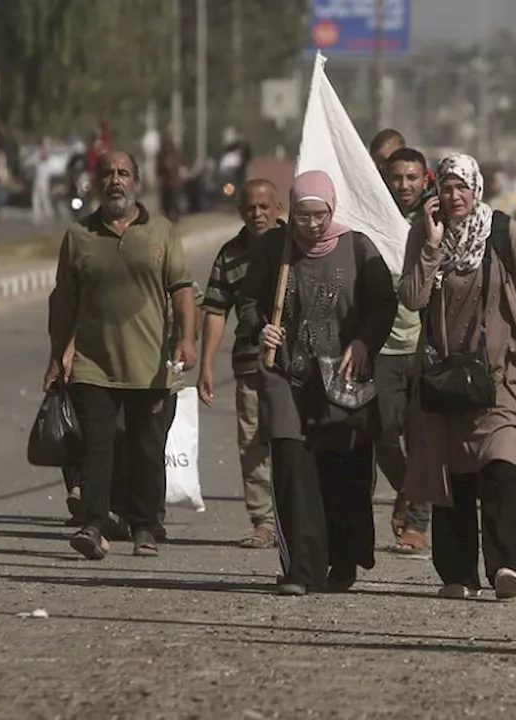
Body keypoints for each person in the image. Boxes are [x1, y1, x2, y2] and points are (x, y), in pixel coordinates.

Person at [398, 152, 516, 601]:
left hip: (502, 379)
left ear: (476, 188)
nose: (454, 195)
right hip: (446, 383)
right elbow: (413, 298)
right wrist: (433, 245)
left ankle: (507, 566)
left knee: (500, 466)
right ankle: (459, 574)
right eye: (447, 186)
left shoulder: (501, 232)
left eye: (462, 186)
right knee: (455, 479)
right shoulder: (425, 232)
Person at [237, 170, 398, 596]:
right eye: (302, 216)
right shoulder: (277, 247)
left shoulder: (358, 248)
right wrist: (260, 329)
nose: (310, 225)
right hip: (286, 375)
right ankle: (299, 570)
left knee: (343, 471)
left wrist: (365, 340)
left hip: (342, 376)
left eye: (319, 215)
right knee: (292, 465)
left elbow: (384, 302)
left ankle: (342, 561)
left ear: (332, 208)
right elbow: (250, 300)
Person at [46, 150, 197, 560]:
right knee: (97, 447)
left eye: (124, 173)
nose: (116, 179)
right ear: (97, 182)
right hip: (94, 365)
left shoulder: (161, 232)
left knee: (146, 450)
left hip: (150, 366)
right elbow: (63, 301)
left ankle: (145, 525)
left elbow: (182, 290)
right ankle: (94, 525)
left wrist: (187, 340)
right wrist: (58, 353)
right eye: (108, 173)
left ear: (137, 182)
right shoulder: (79, 236)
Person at [199, 179, 284, 549]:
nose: (258, 214)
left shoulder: (295, 246)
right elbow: (216, 310)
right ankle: (263, 520)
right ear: (241, 211)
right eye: (251, 207)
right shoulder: (230, 255)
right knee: (252, 444)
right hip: (250, 367)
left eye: (265, 206)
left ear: (277, 208)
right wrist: (205, 366)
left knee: (294, 443)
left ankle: (297, 515)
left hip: (296, 369)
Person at [378, 146, 433, 553]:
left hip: (426, 346)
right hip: (381, 346)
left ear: (424, 178)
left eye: (412, 177)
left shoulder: (436, 220)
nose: (404, 185)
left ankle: (418, 522)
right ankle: (407, 488)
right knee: (381, 430)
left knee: (423, 437)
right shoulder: (372, 218)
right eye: (397, 177)